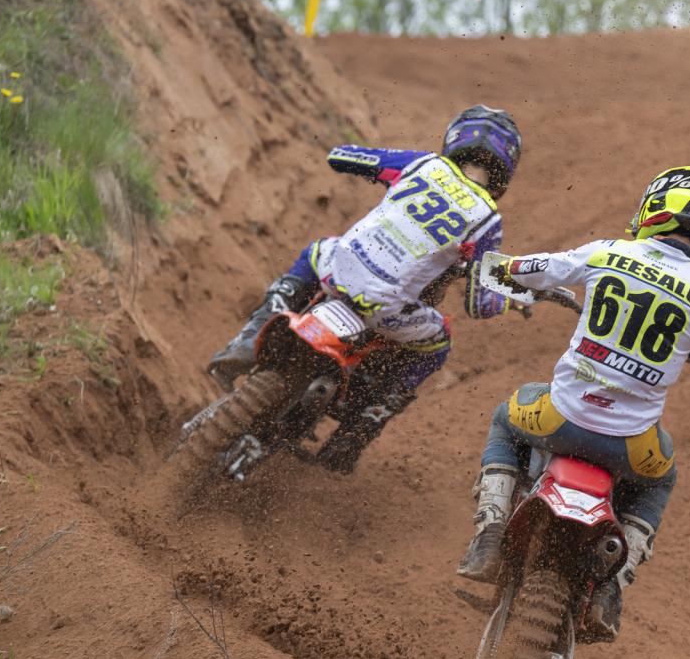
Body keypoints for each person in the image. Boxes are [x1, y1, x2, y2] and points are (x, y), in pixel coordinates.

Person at [456, 166, 690, 642]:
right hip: (630, 447)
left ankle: (490, 534)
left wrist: (500, 269)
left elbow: (524, 269)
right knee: (662, 479)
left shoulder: (607, 253)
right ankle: (613, 586)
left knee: (505, 418)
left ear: (653, 210)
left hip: (558, 420)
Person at [207, 105, 522, 474]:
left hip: (337, 270)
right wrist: (506, 297)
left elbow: (341, 156)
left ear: (454, 141)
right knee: (438, 343)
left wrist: (377, 172)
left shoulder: (420, 164)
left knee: (315, 251)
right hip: (385, 309)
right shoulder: (488, 221)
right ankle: (353, 435)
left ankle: (247, 341)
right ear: (506, 168)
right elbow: (480, 305)